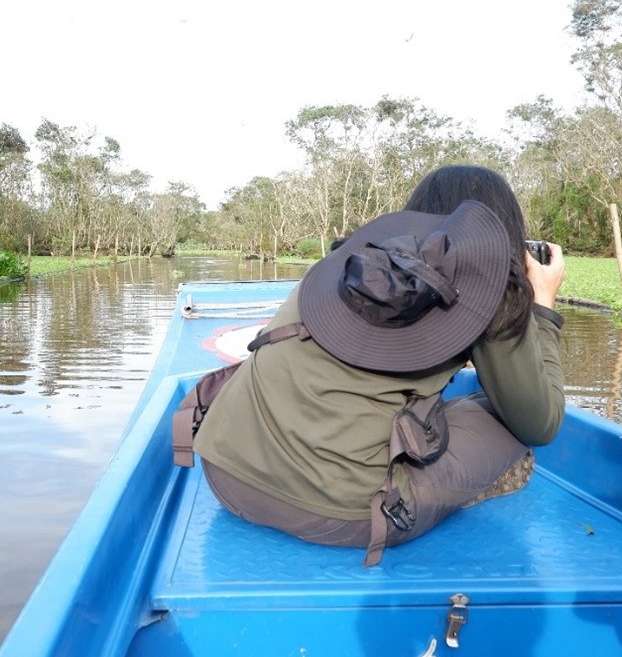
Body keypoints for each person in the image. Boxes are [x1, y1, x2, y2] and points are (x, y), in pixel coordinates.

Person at [191, 164, 566, 566]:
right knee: (505, 419)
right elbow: (539, 423)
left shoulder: (350, 259)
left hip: (224, 474)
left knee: (458, 403)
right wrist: (540, 307)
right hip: (338, 517)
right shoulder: (485, 285)